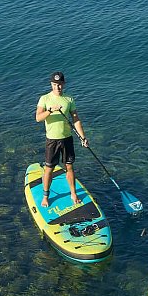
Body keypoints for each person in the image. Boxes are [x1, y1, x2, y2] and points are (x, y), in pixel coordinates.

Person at [35, 71, 88, 208]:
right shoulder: (44, 99)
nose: (57, 87)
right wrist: (50, 111)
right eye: (54, 84)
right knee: (49, 168)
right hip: (52, 140)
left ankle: (73, 193)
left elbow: (76, 120)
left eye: (59, 85)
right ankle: (46, 196)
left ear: (63, 84)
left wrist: (83, 137)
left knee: (69, 167)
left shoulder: (69, 100)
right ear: (51, 84)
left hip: (67, 139)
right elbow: (38, 118)